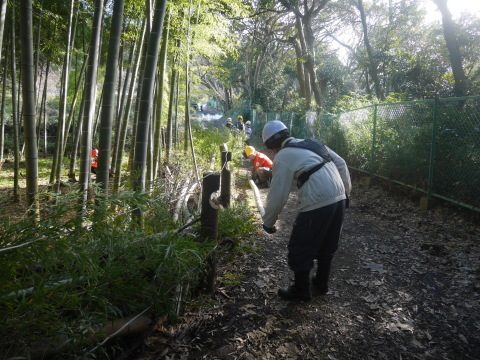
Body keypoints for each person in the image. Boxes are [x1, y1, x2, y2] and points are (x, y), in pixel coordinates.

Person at [261, 120, 351, 301]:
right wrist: (346, 193)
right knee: (328, 243)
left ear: (271, 144)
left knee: (300, 246)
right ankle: (321, 283)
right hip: (339, 197)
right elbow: (340, 163)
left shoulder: (283, 156)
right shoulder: (313, 143)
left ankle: (300, 291)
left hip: (318, 200)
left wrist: (268, 222)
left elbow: (278, 194)